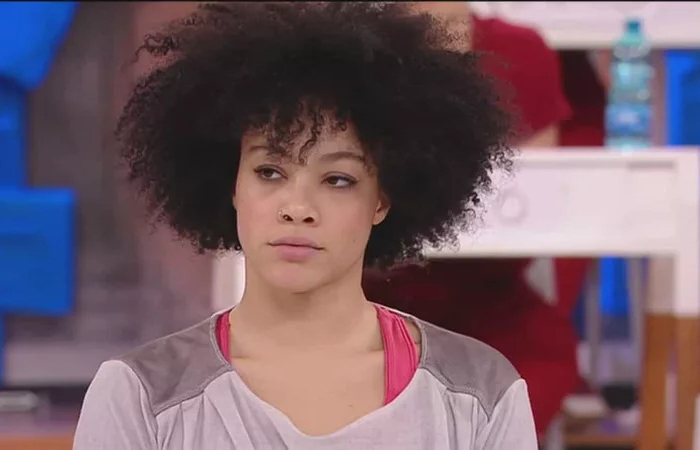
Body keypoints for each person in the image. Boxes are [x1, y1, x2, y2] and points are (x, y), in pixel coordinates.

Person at [73, 2, 537, 449]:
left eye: (337, 179)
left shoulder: (480, 394)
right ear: (230, 184)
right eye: (269, 172)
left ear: (382, 199)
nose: (297, 208)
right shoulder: (140, 396)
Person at [362, 4, 582, 436]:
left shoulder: (521, 51)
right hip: (371, 302)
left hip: (493, 304)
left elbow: (539, 203)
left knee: (537, 363)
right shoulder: (351, 48)